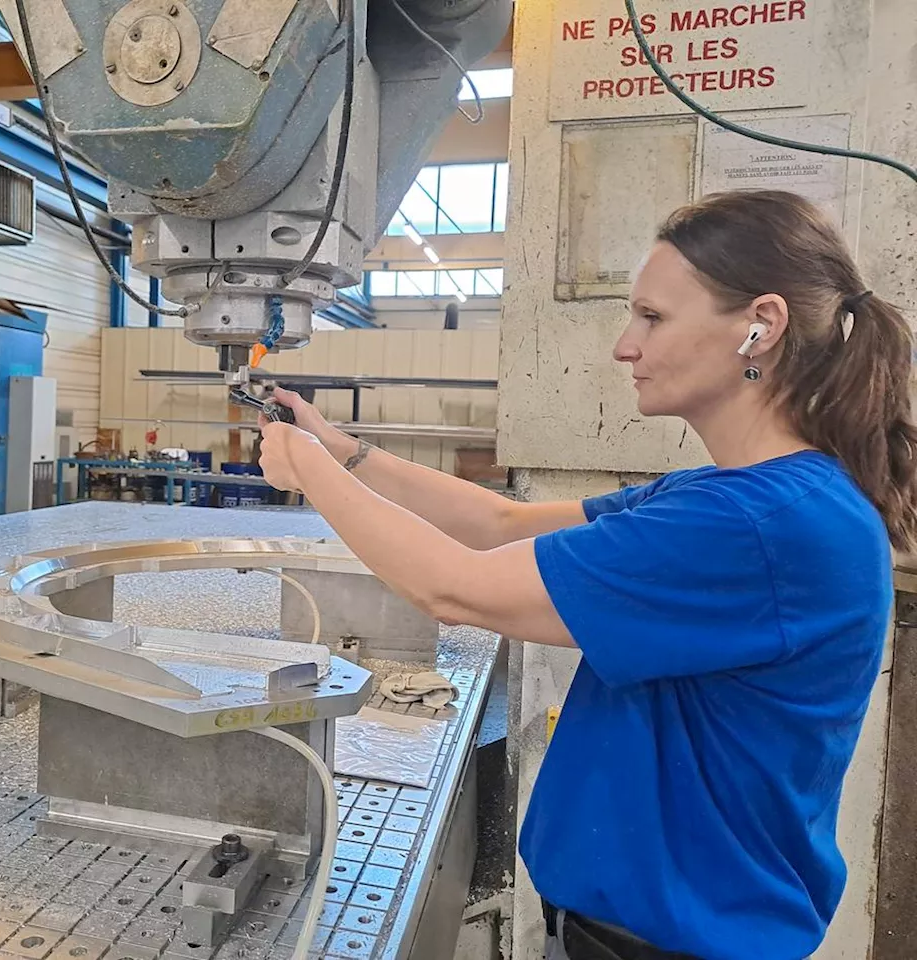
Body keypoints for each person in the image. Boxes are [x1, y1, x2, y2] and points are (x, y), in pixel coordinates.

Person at [255, 189, 916, 960]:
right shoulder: (733, 497)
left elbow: (455, 588)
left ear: (759, 326)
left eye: (653, 317)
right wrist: (344, 452)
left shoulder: (758, 527)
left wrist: (307, 473)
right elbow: (498, 524)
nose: (623, 346)